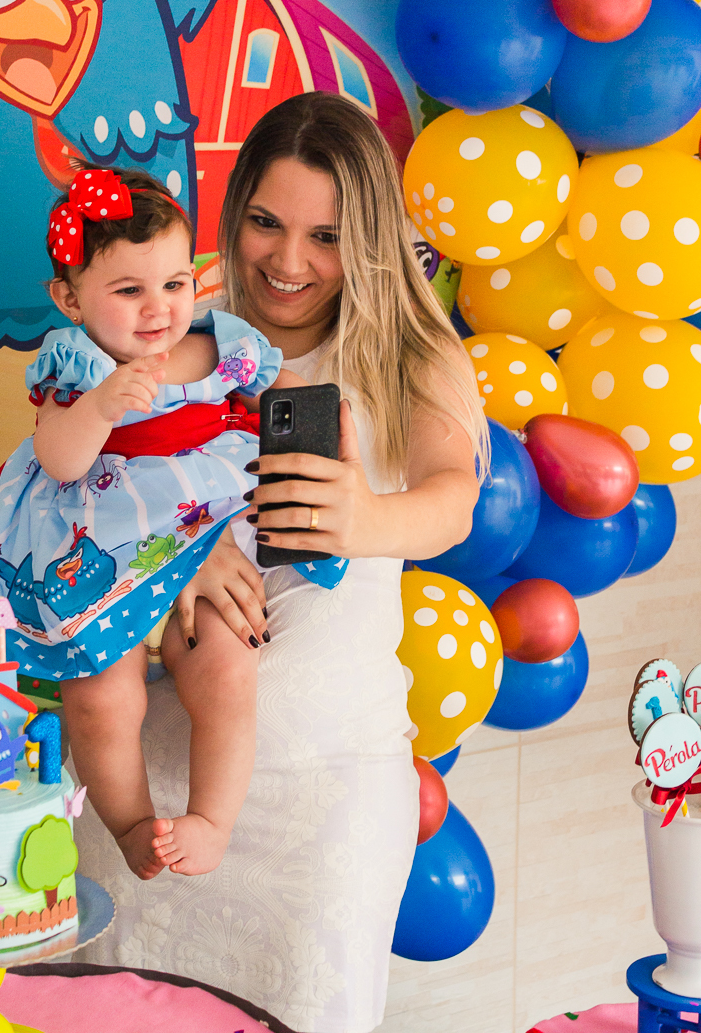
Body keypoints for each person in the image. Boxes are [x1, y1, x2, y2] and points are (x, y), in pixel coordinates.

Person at [71, 93, 488, 1033]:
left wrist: (364, 516)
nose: (287, 262)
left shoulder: (409, 353)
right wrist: (172, 546)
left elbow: (451, 498)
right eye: (265, 222)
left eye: (325, 236)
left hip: (325, 802)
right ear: (234, 214)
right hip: (149, 793)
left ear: (370, 238)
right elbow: (61, 498)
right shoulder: (169, 331)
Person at [0, 162, 319, 881]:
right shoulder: (75, 363)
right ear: (69, 298)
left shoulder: (220, 343)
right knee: (101, 693)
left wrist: (319, 430)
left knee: (226, 666)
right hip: (97, 537)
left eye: (172, 284)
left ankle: (212, 819)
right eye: (127, 290)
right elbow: (60, 459)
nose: (157, 308)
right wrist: (99, 406)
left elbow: (280, 394)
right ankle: (131, 821)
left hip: (204, 528)